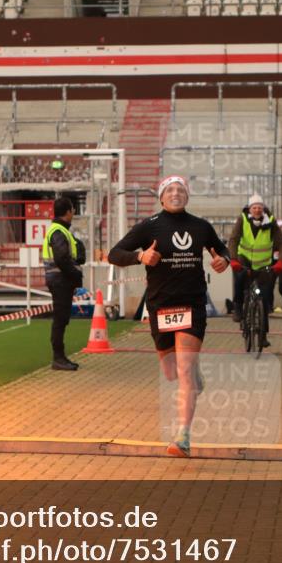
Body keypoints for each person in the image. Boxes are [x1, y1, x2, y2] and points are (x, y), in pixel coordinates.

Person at [108, 176, 230, 458]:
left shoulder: (200, 226)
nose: (176, 193)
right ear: (162, 197)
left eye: (181, 190)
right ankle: (195, 376)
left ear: (187, 196)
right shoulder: (149, 226)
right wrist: (140, 257)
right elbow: (115, 254)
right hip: (161, 307)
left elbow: (222, 248)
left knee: (184, 369)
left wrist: (223, 259)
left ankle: (182, 436)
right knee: (172, 372)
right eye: (170, 190)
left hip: (192, 304)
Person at [227, 194, 282, 347]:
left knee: (264, 299)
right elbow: (233, 240)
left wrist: (281, 262)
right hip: (244, 259)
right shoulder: (242, 219)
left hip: (263, 264)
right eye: (254, 207)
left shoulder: (270, 222)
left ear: (263, 209)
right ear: (249, 209)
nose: (257, 210)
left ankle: (263, 335)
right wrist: (233, 259)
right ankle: (237, 307)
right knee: (239, 278)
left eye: (259, 207)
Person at [42, 196, 86, 371]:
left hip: (60, 280)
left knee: (62, 318)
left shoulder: (60, 230)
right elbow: (61, 259)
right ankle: (58, 358)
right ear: (68, 212)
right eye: (72, 210)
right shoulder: (58, 232)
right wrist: (75, 274)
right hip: (60, 280)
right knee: (60, 319)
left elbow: (71, 255)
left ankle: (60, 357)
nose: (73, 212)